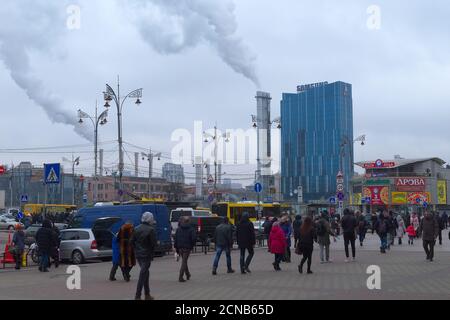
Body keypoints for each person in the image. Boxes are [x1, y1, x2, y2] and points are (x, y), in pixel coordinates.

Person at [130, 212, 157, 300]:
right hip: (147, 254)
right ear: (150, 219)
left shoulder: (136, 228)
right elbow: (153, 244)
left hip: (139, 254)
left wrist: (136, 249)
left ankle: (147, 294)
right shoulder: (151, 229)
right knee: (143, 274)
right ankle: (138, 295)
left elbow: (131, 242)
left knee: (145, 273)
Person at [174, 216, 196, 282]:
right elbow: (194, 239)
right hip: (187, 247)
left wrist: (176, 248)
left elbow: (176, 239)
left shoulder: (178, 229)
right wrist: (192, 246)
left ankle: (188, 274)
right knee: (184, 262)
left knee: (184, 261)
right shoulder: (191, 229)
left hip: (180, 247)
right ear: (189, 221)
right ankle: (180, 277)